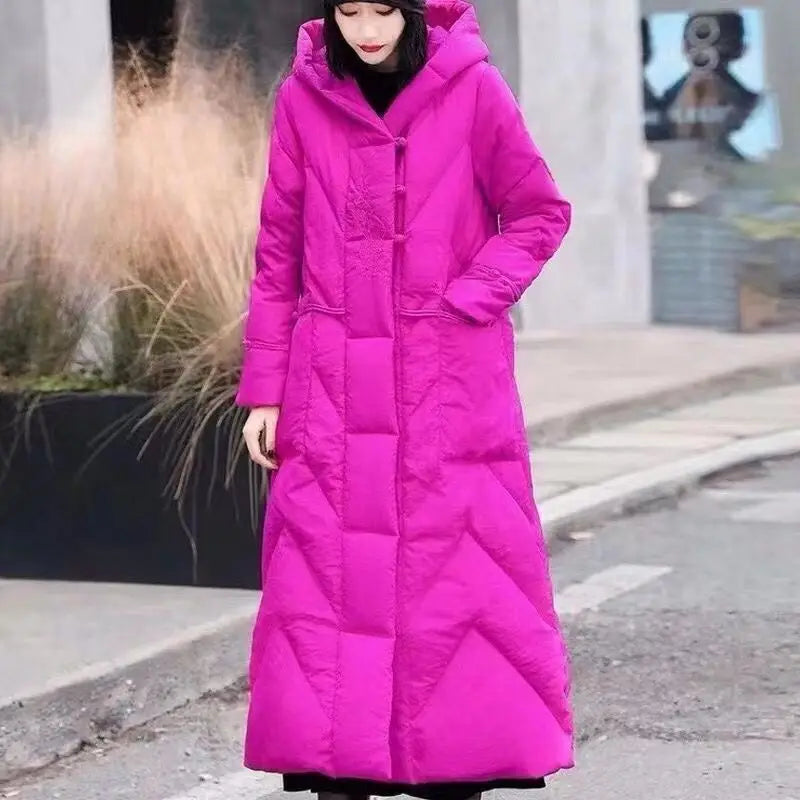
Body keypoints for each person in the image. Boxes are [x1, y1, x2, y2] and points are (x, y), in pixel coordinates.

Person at [235, 2, 574, 800]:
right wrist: (264, 391)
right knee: (328, 580)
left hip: (446, 382)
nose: (367, 28)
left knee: (454, 581)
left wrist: (468, 300)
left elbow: (538, 212)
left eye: (384, 8)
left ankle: (458, 766)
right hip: (329, 382)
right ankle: (340, 768)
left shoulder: (474, 88)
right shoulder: (304, 96)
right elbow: (277, 248)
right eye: (347, 10)